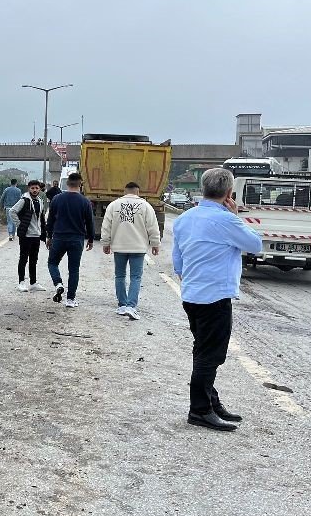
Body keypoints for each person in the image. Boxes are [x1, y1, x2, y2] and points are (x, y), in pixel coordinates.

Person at [172, 167, 262, 432]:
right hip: (216, 297)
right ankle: (199, 410)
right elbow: (255, 245)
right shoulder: (226, 220)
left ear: (203, 189)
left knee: (203, 350)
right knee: (209, 356)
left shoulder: (185, 218)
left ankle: (211, 401)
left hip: (192, 294)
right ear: (228, 193)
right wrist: (234, 215)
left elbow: (177, 260)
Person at [101, 181, 161, 320]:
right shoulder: (145, 206)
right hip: (138, 247)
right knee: (136, 277)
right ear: (138, 192)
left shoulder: (114, 205)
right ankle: (131, 306)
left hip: (119, 246)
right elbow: (152, 226)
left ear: (125, 191)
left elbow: (106, 225)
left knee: (120, 275)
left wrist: (106, 242)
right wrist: (155, 244)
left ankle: (122, 305)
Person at [46, 172, 95, 308]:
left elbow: (50, 220)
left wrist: (49, 236)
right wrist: (90, 239)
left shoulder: (56, 199)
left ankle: (58, 283)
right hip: (77, 239)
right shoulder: (85, 201)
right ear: (80, 184)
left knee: (52, 263)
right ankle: (70, 299)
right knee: (74, 269)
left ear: (67, 184)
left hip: (59, 237)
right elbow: (90, 222)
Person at [9, 180, 48, 292]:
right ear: (29, 189)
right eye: (32, 188)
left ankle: (33, 282)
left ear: (39, 189)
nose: (34, 190)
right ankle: (21, 282)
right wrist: (20, 225)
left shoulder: (40, 200)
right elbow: (12, 211)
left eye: (36, 188)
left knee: (34, 259)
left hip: (36, 234)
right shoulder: (24, 200)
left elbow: (41, 217)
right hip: (26, 235)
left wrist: (43, 232)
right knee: (23, 258)